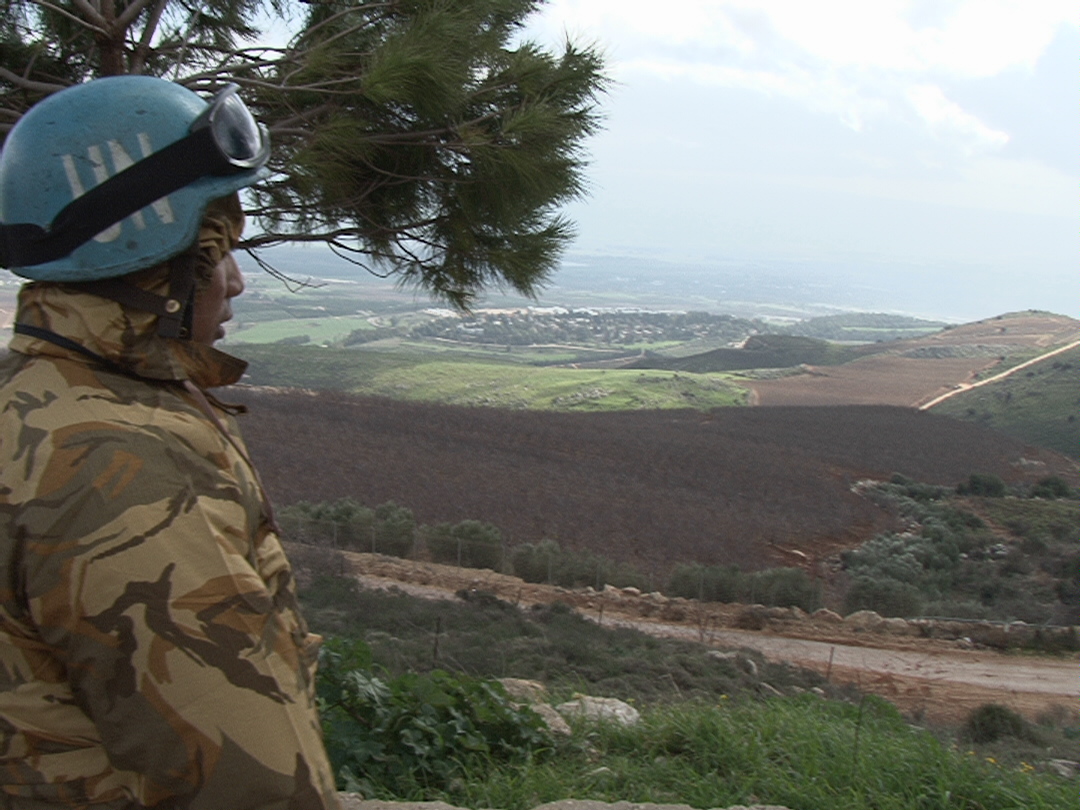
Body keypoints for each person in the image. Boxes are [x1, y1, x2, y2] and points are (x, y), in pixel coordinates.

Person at [0, 77, 342, 809]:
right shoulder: (118, 461)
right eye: (216, 252)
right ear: (158, 269)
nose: (237, 283)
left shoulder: (28, 396)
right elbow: (246, 778)